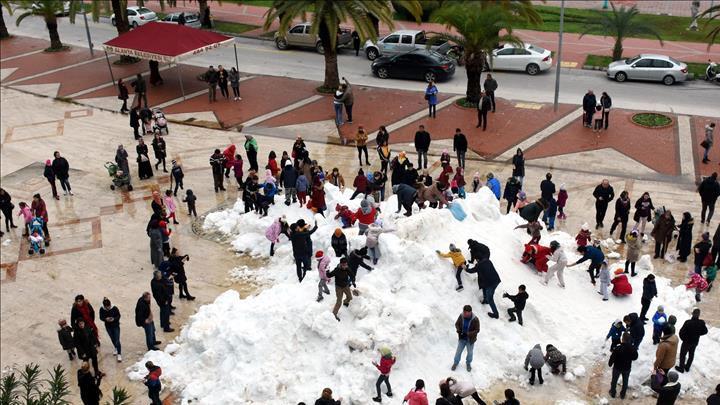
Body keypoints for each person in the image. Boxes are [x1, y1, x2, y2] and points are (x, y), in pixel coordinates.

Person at [675, 308, 708, 373]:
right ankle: (687, 367)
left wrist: (684, 339)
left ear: (692, 314)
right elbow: (705, 331)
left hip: (686, 342)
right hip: (695, 342)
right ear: (699, 315)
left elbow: (681, 333)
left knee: (682, 354)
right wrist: (698, 334)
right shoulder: (701, 322)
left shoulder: (688, 322)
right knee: (691, 354)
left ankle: (681, 368)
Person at [607, 332, 637, 399]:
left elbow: (612, 357)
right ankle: (623, 394)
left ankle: (613, 393)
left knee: (614, 380)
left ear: (622, 339)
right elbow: (635, 357)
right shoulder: (632, 348)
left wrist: (610, 363)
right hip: (627, 368)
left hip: (617, 368)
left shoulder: (618, 348)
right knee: (625, 381)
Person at [452, 305, 479, 371]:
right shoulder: (461, 316)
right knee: (458, 351)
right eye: (464, 313)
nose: (465, 314)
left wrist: (468, 334)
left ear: (470, 312)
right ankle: (455, 363)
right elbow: (457, 324)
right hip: (462, 338)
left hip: (470, 340)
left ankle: (468, 363)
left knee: (470, 353)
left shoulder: (475, 319)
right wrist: (459, 330)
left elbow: (477, 330)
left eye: (467, 313)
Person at [98, 298, 121, 362]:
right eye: (106, 307)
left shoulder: (114, 308)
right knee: (112, 339)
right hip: (108, 327)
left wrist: (114, 319)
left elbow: (118, 316)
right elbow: (101, 317)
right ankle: (116, 348)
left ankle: (119, 354)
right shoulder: (102, 309)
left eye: (108, 307)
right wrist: (106, 319)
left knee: (117, 339)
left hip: (116, 326)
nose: (108, 308)